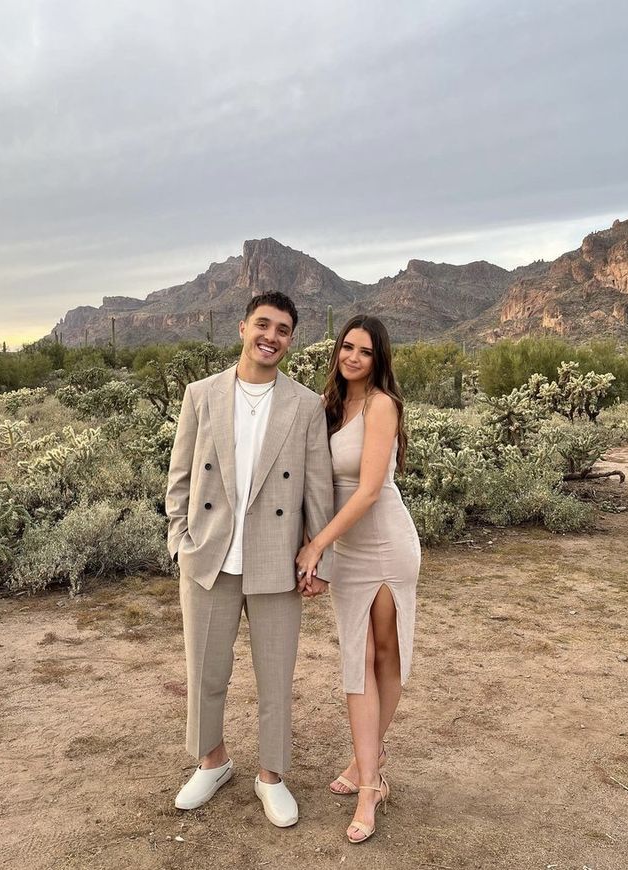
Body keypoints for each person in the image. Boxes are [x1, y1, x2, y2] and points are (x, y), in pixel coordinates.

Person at [165, 290, 334, 828]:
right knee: (205, 671)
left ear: (290, 339)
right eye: (263, 324)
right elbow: (180, 478)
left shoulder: (305, 405)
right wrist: (179, 541)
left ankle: (272, 775)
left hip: (275, 561)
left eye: (283, 329)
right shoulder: (201, 394)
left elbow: (318, 491)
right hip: (209, 557)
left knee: (275, 677)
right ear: (242, 328)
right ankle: (211, 762)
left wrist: (317, 558)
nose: (272, 336)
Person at [295, 314, 421, 843]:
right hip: (346, 549)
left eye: (365, 352)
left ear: (378, 359)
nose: (352, 357)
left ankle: (368, 778)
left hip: (386, 544)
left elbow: (369, 490)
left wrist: (317, 545)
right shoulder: (327, 408)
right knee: (357, 657)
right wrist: (324, 552)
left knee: (385, 652)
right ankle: (371, 769)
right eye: (347, 347)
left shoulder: (381, 405)